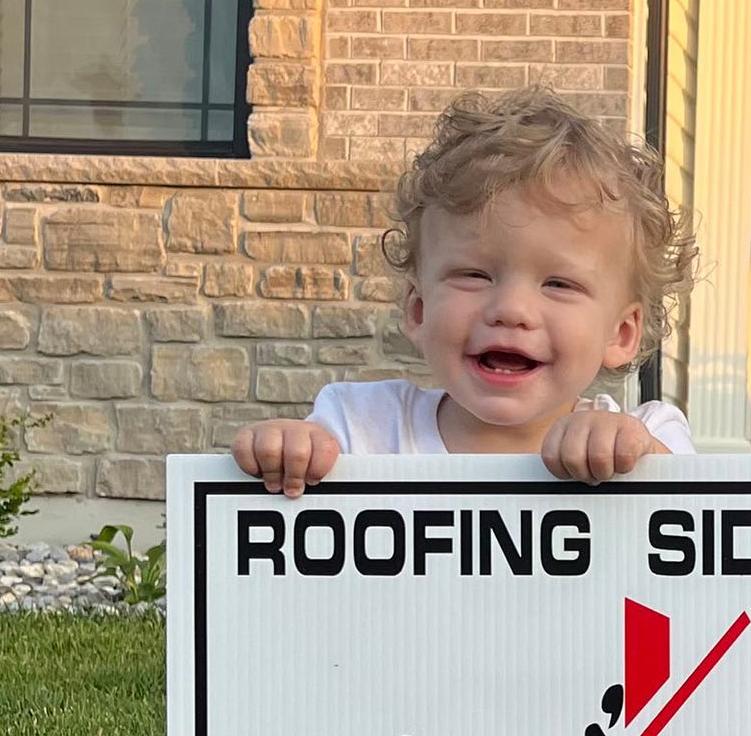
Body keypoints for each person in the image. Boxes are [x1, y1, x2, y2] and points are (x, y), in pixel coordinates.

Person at [231, 89, 697, 494]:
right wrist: (285, 455)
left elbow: (703, 537)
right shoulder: (359, 428)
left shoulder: (650, 434)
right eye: (474, 276)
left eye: (559, 283)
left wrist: (636, 461)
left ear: (620, 333)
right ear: (417, 309)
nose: (511, 310)